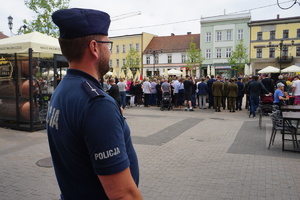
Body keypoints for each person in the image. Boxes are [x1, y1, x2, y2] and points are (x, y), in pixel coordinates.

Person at [48, 8, 142, 200]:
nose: (109, 50)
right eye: (108, 43)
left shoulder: (62, 89)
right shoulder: (97, 104)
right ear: (94, 47)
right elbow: (122, 194)